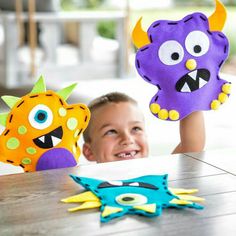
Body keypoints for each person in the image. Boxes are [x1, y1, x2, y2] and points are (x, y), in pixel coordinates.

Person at [82, 92, 205, 163]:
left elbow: (192, 146)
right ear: (89, 151)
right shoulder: (79, 186)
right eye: (111, 132)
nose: (127, 139)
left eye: (135, 129)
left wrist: (190, 94)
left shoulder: (160, 174)